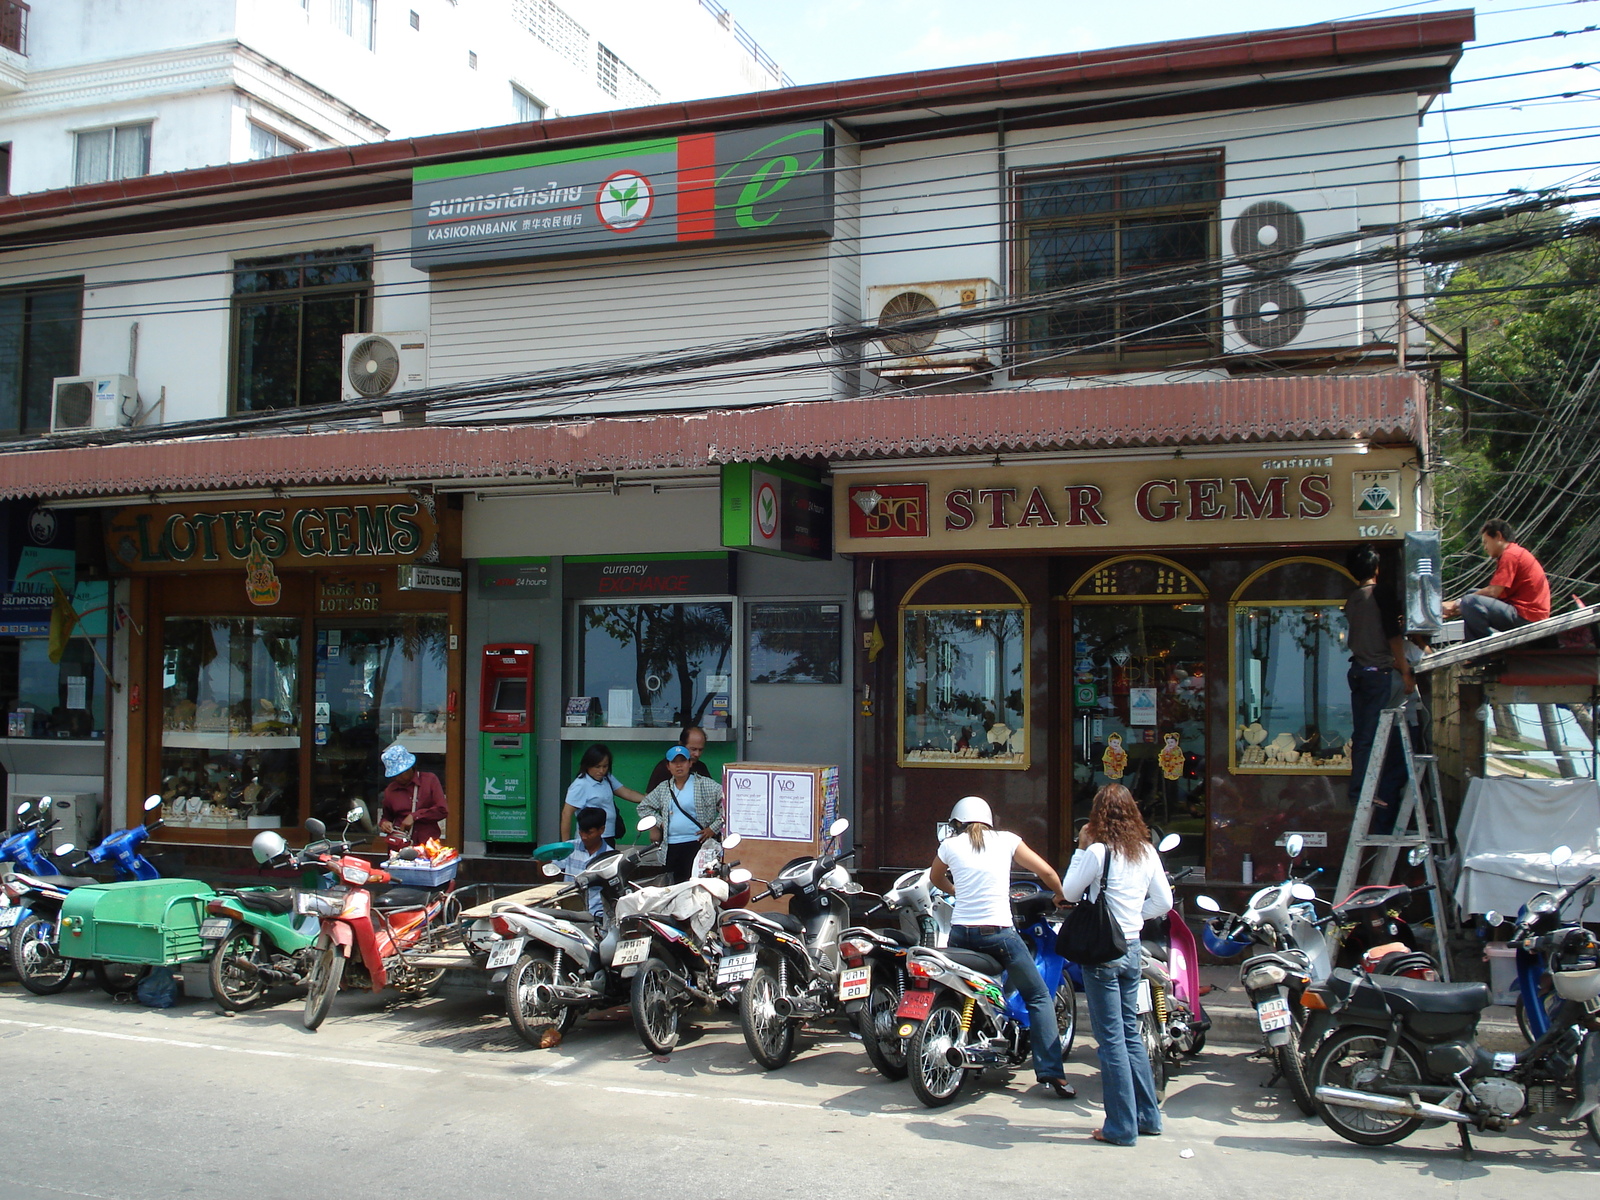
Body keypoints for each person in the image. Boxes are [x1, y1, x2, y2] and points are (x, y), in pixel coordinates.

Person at [927, 796, 1075, 1099]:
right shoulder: (1007, 840)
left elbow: (934, 878)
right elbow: (1046, 873)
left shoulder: (950, 846)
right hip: (999, 936)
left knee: (963, 990)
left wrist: (956, 891)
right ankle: (1052, 1073)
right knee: (1037, 997)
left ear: (957, 822)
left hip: (960, 936)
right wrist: (1061, 895)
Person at [1060, 783, 1172, 1146]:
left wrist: (1080, 848)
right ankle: (1147, 1117)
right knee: (1129, 1035)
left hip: (1103, 953)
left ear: (1096, 816)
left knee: (1110, 1042)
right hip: (1133, 947)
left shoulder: (1095, 851)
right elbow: (1164, 902)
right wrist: (1133, 918)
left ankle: (1121, 1127)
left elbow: (1069, 892)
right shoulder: (1147, 851)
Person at [1343, 543, 1412, 835]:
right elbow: (1393, 635)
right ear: (1377, 569)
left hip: (1359, 672)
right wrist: (1405, 669)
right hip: (1379, 674)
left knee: (1363, 735)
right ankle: (1365, 792)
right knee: (1380, 737)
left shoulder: (1352, 599)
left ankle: (1362, 789)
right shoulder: (1379, 594)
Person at [1442, 518, 1550, 640]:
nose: (1485, 548)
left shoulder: (1510, 555)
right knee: (1470, 595)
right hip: (1521, 612)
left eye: (1486, 542)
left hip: (1527, 616)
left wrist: (1457, 603)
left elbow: (1493, 592)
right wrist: (1458, 609)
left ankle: (1484, 646)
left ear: (1498, 536)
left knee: (1469, 600)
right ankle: (1472, 644)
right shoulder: (1514, 553)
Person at [638, 744, 724, 883]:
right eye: (674, 762)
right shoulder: (663, 788)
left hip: (697, 844)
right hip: (670, 847)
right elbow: (643, 807)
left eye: (683, 761)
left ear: (690, 763)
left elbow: (727, 805)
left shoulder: (705, 784)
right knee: (672, 888)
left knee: (696, 885)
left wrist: (712, 829)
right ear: (668, 766)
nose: (679, 766)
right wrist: (660, 823)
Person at [535, 806, 611, 923]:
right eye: (581, 831)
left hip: (597, 916)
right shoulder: (569, 848)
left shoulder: (610, 856)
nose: (584, 836)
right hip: (569, 914)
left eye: (589, 833)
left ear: (601, 830)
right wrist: (542, 860)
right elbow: (545, 873)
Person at [560, 744, 643, 842]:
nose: (601, 771)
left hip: (608, 835)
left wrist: (651, 799)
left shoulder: (607, 778)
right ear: (588, 765)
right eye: (597, 767)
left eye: (605, 766)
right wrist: (566, 844)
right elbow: (566, 813)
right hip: (590, 839)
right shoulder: (580, 785)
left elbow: (627, 793)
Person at [378, 743, 448, 846]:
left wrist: (415, 816)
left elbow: (442, 810)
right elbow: (387, 817)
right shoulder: (390, 791)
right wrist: (384, 823)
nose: (398, 778)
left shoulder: (429, 780)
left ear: (410, 767)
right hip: (400, 845)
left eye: (401, 773)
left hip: (427, 844)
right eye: (394, 775)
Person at [644, 724, 714, 793]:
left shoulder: (701, 767)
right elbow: (650, 797)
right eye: (693, 749)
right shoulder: (663, 768)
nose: (697, 754)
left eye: (700, 750)